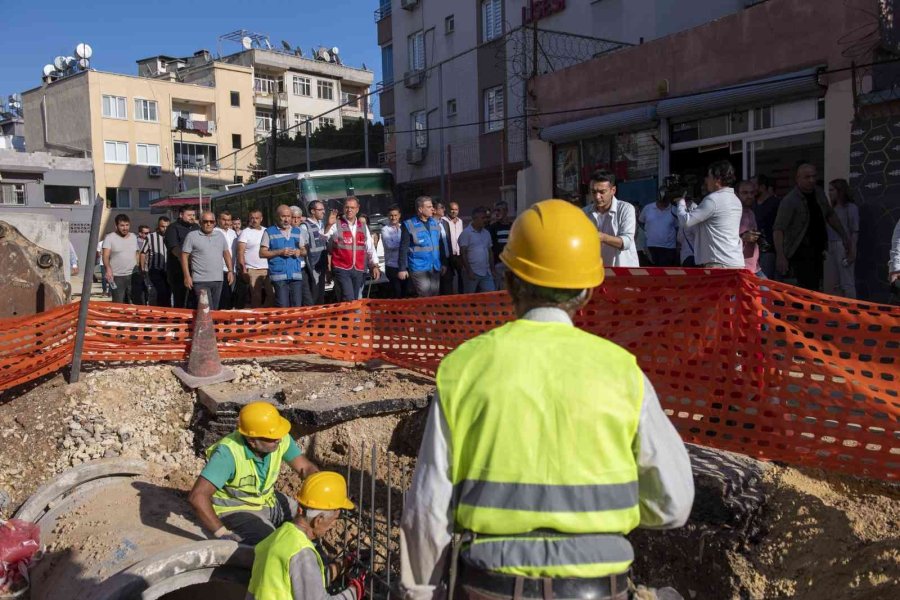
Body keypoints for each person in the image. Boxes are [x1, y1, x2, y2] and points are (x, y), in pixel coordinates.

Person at [400, 200, 694, 600]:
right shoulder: (623, 372)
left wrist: (422, 592)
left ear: (509, 281)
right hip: (599, 587)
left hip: (489, 586)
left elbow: (427, 511)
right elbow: (673, 505)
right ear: (587, 291)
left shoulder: (464, 368)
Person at [188, 402, 319, 546]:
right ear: (252, 440)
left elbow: (306, 468)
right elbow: (197, 496)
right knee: (269, 544)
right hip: (236, 509)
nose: (278, 439)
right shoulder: (228, 454)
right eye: (271, 437)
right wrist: (222, 534)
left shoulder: (279, 440)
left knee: (311, 518)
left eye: (278, 434)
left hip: (267, 500)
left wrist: (324, 488)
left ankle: (317, 560)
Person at [246, 472, 365, 600]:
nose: (334, 524)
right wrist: (355, 591)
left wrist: (343, 564)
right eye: (335, 519)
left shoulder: (279, 536)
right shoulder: (302, 553)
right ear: (318, 520)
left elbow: (307, 581)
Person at [773, 162, 850, 291]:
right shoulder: (790, 200)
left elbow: (830, 215)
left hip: (817, 249)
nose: (812, 180)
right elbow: (778, 228)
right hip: (799, 252)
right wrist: (781, 255)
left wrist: (844, 235)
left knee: (814, 286)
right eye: (807, 177)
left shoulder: (818, 193)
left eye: (814, 176)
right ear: (798, 179)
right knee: (805, 288)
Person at [674, 160, 744, 269]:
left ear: (718, 179)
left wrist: (681, 202)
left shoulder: (712, 200)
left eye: (708, 176)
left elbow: (686, 221)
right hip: (736, 261)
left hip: (719, 263)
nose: (706, 180)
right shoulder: (735, 200)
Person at [326, 197, 380, 302]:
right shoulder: (336, 224)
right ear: (343, 208)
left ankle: (350, 318)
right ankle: (351, 318)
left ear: (357, 209)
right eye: (347, 207)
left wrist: (374, 265)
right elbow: (323, 237)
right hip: (341, 268)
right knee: (348, 297)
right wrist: (328, 225)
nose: (349, 210)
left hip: (358, 268)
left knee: (355, 298)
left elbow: (370, 248)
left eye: (352, 207)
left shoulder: (363, 226)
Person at [583, 170, 640, 268]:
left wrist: (601, 237)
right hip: (595, 271)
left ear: (613, 190)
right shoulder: (584, 212)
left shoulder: (626, 209)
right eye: (593, 192)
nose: (597, 197)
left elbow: (626, 242)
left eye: (602, 192)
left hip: (623, 270)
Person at [181, 211, 234, 310]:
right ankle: (204, 326)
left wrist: (230, 271)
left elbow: (226, 253)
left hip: (218, 279)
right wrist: (187, 276)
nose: (208, 224)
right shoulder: (192, 236)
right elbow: (184, 256)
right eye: (205, 221)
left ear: (214, 223)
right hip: (200, 280)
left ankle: (212, 326)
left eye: (211, 221)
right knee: (206, 309)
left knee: (214, 309)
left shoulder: (220, 235)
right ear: (200, 222)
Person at [260, 205, 308, 308]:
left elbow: (304, 250)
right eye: (283, 216)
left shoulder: (297, 231)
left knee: (297, 306)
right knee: (283, 305)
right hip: (279, 276)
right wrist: (279, 252)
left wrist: (300, 251)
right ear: (277, 217)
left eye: (289, 216)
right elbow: (262, 253)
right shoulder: (269, 232)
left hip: (296, 274)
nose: (286, 219)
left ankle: (296, 324)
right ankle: (284, 324)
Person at [398, 196, 445, 297]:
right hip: (418, 267)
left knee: (435, 294)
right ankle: (426, 313)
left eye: (432, 206)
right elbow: (403, 248)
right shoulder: (408, 225)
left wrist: (443, 262)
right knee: (425, 294)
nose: (432, 209)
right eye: (429, 207)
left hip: (435, 266)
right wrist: (402, 268)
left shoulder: (435, 223)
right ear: (420, 209)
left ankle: (432, 313)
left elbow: (440, 245)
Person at [823, 179, 859, 298]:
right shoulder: (830, 210)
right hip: (830, 246)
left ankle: (852, 312)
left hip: (843, 246)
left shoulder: (850, 208)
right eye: (829, 190)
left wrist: (852, 250)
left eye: (832, 190)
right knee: (834, 283)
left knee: (847, 282)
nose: (830, 193)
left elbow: (854, 231)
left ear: (840, 191)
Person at [237, 210, 272, 309]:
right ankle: (256, 320)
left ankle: (263, 314)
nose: (254, 220)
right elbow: (240, 252)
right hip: (252, 270)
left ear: (261, 219)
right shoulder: (245, 232)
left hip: (267, 269)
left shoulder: (267, 231)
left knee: (272, 295)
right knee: (256, 297)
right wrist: (243, 270)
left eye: (257, 218)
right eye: (252, 218)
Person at [102, 214, 141, 304]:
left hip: (133, 275)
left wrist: (138, 267)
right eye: (122, 225)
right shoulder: (109, 238)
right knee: (118, 303)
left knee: (134, 302)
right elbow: (105, 256)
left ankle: (131, 318)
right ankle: (117, 318)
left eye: (127, 225)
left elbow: (137, 253)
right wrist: (108, 269)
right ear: (116, 226)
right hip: (117, 277)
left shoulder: (133, 237)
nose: (125, 228)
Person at [165, 206, 199, 308]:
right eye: (189, 215)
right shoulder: (172, 228)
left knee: (194, 300)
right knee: (180, 301)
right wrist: (185, 259)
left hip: (195, 269)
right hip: (178, 271)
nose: (192, 217)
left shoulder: (197, 228)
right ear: (181, 215)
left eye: (193, 215)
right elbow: (174, 249)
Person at [457, 206, 495, 294]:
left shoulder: (486, 233)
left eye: (486, 217)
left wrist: (492, 269)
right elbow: (463, 253)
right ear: (475, 219)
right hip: (472, 272)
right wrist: (469, 271)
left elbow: (490, 252)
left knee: (491, 296)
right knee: (468, 298)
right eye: (483, 218)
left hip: (486, 272)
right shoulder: (466, 233)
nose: (485, 220)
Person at [302, 201, 332, 306]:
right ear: (312, 211)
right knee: (313, 293)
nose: (323, 212)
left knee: (321, 293)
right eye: (320, 210)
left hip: (322, 264)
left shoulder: (321, 224)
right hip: (312, 265)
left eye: (323, 209)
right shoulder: (305, 226)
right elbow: (303, 248)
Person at [639, 187, 679, 266]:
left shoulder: (674, 210)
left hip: (668, 249)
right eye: (660, 202)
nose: (662, 204)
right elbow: (641, 222)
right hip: (650, 247)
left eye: (664, 202)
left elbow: (678, 228)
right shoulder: (648, 208)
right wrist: (647, 234)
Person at [752, 174, 780, 278]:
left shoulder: (775, 203)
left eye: (754, 186)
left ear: (762, 187)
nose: (752, 189)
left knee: (765, 282)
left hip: (769, 250)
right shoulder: (753, 205)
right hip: (755, 250)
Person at [142, 216, 172, 307]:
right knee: (161, 291)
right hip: (156, 269)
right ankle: (161, 311)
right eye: (163, 226)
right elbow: (143, 252)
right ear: (158, 226)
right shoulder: (151, 237)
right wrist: (143, 268)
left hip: (169, 270)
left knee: (168, 292)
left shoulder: (172, 236)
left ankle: (166, 311)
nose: (165, 229)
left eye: (167, 226)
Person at [737, 180, 764, 277]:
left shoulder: (751, 212)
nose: (749, 196)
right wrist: (742, 237)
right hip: (740, 268)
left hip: (754, 267)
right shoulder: (734, 213)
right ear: (737, 194)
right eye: (745, 193)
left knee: (768, 291)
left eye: (752, 193)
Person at [381, 205, 408, 298]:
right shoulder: (385, 229)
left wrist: (404, 244)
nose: (393, 218)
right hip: (392, 265)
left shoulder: (404, 227)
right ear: (388, 216)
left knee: (405, 292)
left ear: (399, 215)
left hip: (404, 265)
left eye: (395, 215)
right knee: (396, 292)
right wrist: (404, 244)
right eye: (391, 215)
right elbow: (389, 245)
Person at [488, 200, 514, 289]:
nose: (497, 213)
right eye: (495, 210)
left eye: (499, 210)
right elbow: (491, 247)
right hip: (498, 263)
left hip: (511, 263)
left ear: (506, 211)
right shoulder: (493, 227)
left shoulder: (513, 226)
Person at [214, 211, 238, 310]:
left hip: (232, 269)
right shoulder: (214, 231)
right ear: (218, 220)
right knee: (223, 297)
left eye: (228, 220)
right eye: (224, 220)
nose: (226, 222)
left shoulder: (233, 233)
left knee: (231, 297)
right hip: (219, 269)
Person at [434, 201, 456, 294]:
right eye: (441, 207)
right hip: (437, 261)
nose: (444, 209)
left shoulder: (445, 223)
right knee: (438, 291)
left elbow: (448, 242)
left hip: (448, 261)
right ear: (434, 210)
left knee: (448, 290)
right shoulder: (430, 225)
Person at [444, 201, 464, 292]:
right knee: (449, 278)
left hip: (459, 254)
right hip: (449, 254)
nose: (454, 211)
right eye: (452, 209)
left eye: (456, 209)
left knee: (461, 276)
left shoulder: (460, 221)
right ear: (448, 210)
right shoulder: (444, 220)